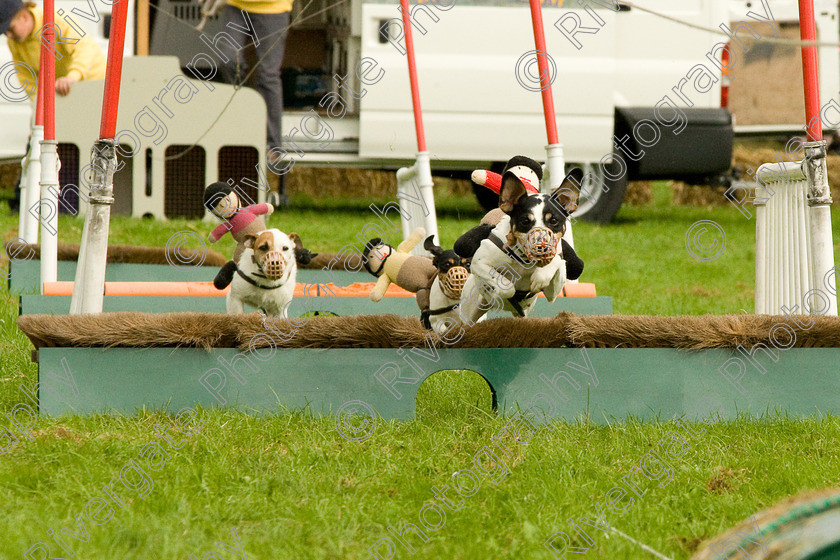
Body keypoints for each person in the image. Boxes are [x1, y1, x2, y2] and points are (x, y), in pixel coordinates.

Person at [212, 0, 293, 204]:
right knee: (229, 61)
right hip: (237, 5)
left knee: (267, 76)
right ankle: (244, 120)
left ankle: (274, 146)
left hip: (273, 8)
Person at [1, 0, 106, 97]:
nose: (9, 35)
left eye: (10, 28)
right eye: (5, 32)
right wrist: (39, 102)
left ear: (24, 17)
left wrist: (72, 77)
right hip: (67, 93)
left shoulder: (56, 20)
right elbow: (26, 76)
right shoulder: (14, 42)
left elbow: (83, 48)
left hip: (97, 82)